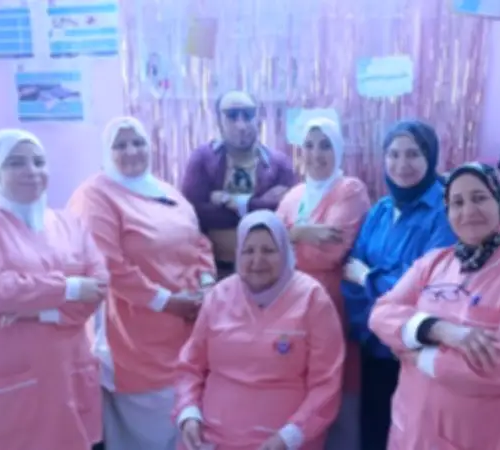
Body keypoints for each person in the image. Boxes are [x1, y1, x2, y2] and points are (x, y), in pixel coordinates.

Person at [368, 162, 500, 449]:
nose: (468, 211)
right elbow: (381, 313)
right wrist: (439, 330)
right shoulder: (435, 263)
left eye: (479, 198)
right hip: (413, 436)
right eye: (457, 202)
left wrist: (418, 356)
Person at [0, 129, 108, 450]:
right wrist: (70, 287)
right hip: (5, 378)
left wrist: (38, 312)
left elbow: (100, 286)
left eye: (39, 162)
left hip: (68, 369)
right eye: (15, 163)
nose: (32, 171)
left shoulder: (70, 223)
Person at [67, 116, 216, 450]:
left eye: (138, 142)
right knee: (150, 429)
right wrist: (167, 301)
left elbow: (199, 242)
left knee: (188, 417)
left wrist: (207, 286)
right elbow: (107, 264)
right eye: (120, 145)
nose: (131, 151)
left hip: (188, 325)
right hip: (134, 334)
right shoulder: (96, 195)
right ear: (106, 152)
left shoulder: (165, 192)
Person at [175, 210, 345, 450]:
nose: (257, 261)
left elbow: (326, 384)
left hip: (284, 441)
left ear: (285, 251)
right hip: (209, 438)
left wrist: (289, 437)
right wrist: (189, 414)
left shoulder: (313, 299)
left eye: (268, 250)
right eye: (249, 251)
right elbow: (190, 366)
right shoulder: (219, 296)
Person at [340, 119, 458, 450]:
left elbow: (428, 285)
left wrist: (370, 277)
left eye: (413, 154)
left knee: (413, 436)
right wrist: (372, 327)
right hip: (375, 346)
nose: (401, 164)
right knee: (374, 433)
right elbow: (349, 274)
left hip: (418, 350)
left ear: (430, 157)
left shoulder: (445, 212)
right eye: (393, 154)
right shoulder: (380, 210)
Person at [276, 118, 371, 450]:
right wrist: (302, 232)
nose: (316, 154)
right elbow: (272, 246)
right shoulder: (293, 195)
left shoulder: (350, 190)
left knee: (334, 388)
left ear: (339, 149)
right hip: (289, 304)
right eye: (309, 145)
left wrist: (289, 236)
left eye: (325, 145)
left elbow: (329, 253)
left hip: (331, 303)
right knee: (296, 387)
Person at [182, 90, 297, 278]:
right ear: (219, 121)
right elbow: (193, 214)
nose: (241, 125)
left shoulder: (279, 164)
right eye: (232, 116)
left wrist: (234, 204)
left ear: (258, 118)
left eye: (248, 115)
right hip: (215, 271)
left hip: (268, 273)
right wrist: (260, 205)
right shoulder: (202, 159)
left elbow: (284, 219)